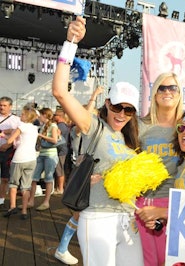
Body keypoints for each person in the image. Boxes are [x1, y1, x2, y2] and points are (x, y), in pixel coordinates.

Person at [52, 16, 143, 265]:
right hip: (98, 218)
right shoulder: (95, 126)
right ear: (107, 104)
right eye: (117, 106)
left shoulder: (132, 141)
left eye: (129, 110)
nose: (121, 114)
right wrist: (71, 42)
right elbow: (60, 91)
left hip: (129, 221)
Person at [135, 72, 183, 266]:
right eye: (161, 88)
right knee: (148, 262)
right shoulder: (140, 125)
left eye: (172, 87)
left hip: (173, 204)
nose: (167, 91)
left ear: (179, 94)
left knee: (169, 261)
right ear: (154, 94)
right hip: (143, 204)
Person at [54, 86, 103, 265]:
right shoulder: (78, 130)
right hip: (81, 179)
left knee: (84, 215)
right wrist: (94, 97)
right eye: (93, 117)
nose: (95, 121)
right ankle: (62, 249)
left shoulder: (96, 135)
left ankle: (66, 248)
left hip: (90, 178)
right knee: (78, 215)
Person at [1, 106, 38, 220]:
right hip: (31, 158)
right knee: (26, 186)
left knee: (13, 184)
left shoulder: (21, 127)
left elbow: (10, 140)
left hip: (19, 158)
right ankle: (24, 211)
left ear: (27, 116)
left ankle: (12, 207)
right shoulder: (34, 128)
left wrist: (3, 136)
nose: (20, 116)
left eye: (22, 114)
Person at [28, 107, 59, 211]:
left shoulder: (53, 126)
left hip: (50, 155)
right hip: (43, 154)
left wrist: (41, 135)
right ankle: (31, 201)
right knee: (34, 177)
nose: (39, 117)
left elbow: (54, 140)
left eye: (40, 115)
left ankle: (46, 202)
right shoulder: (44, 126)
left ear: (45, 115)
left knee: (48, 177)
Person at [0, 96, 21, 210]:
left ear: (10, 107)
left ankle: (1, 199)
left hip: (7, 150)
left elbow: (19, 135)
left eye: (4, 105)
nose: (2, 107)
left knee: (5, 177)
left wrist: (7, 145)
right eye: (0, 105)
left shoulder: (16, 120)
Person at [53, 108, 70, 194]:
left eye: (55, 115)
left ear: (59, 116)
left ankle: (60, 188)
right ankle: (60, 187)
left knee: (60, 170)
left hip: (61, 151)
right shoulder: (65, 126)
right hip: (64, 150)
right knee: (61, 169)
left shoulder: (60, 126)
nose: (53, 116)